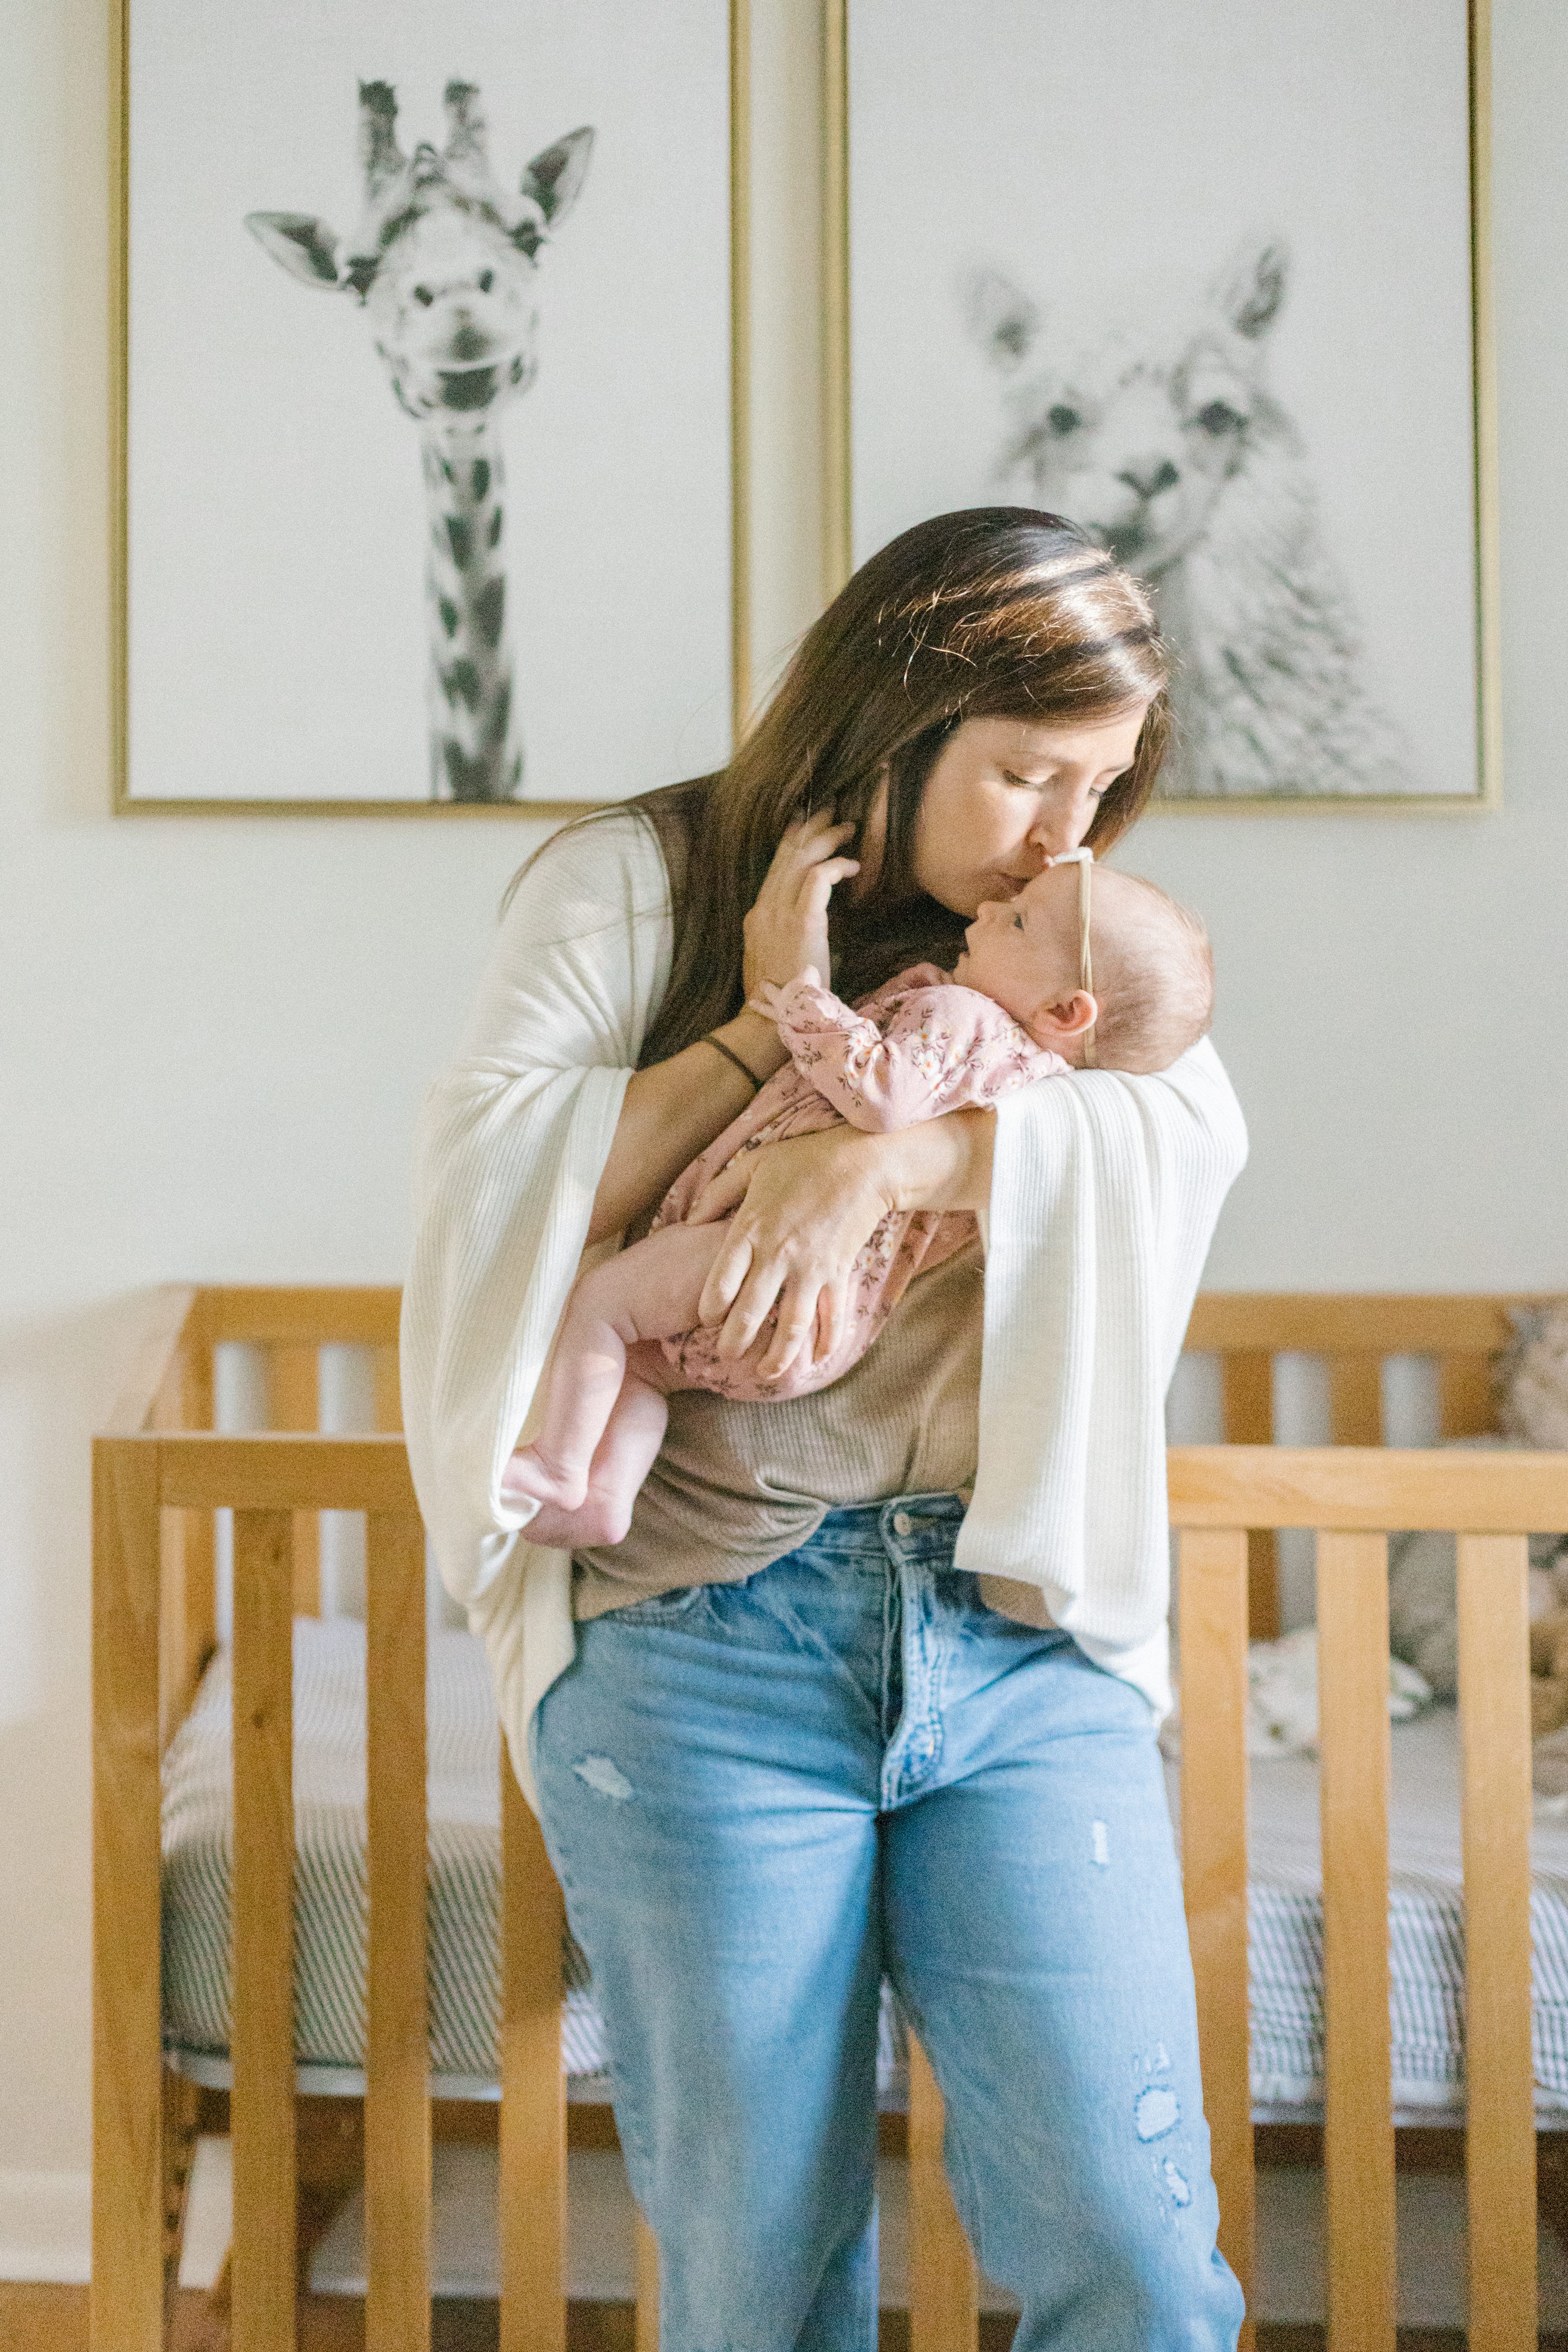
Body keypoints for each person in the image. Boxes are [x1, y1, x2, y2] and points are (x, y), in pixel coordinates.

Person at [403, 508, 1250, 2349]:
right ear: (900, 713)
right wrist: (761, 1032)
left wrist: (893, 1156)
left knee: (1135, 2241)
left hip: (1012, 1633)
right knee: (756, 2262)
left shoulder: (1067, 941)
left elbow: (1179, 1143)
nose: (1065, 834)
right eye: (1029, 773)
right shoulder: (640, 882)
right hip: (708, 1628)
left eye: (1102, 788)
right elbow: (502, 1189)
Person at [500, 850, 1214, 1547]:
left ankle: (563, 1464)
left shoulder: (962, 1014)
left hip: (764, 1267)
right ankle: (603, 1498)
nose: (994, 906)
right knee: (644, 1367)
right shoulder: (1037, 1089)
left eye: (1021, 922)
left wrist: (799, 994)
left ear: (1065, 1008)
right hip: (822, 1323)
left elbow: (881, 1092)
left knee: (602, 1304)